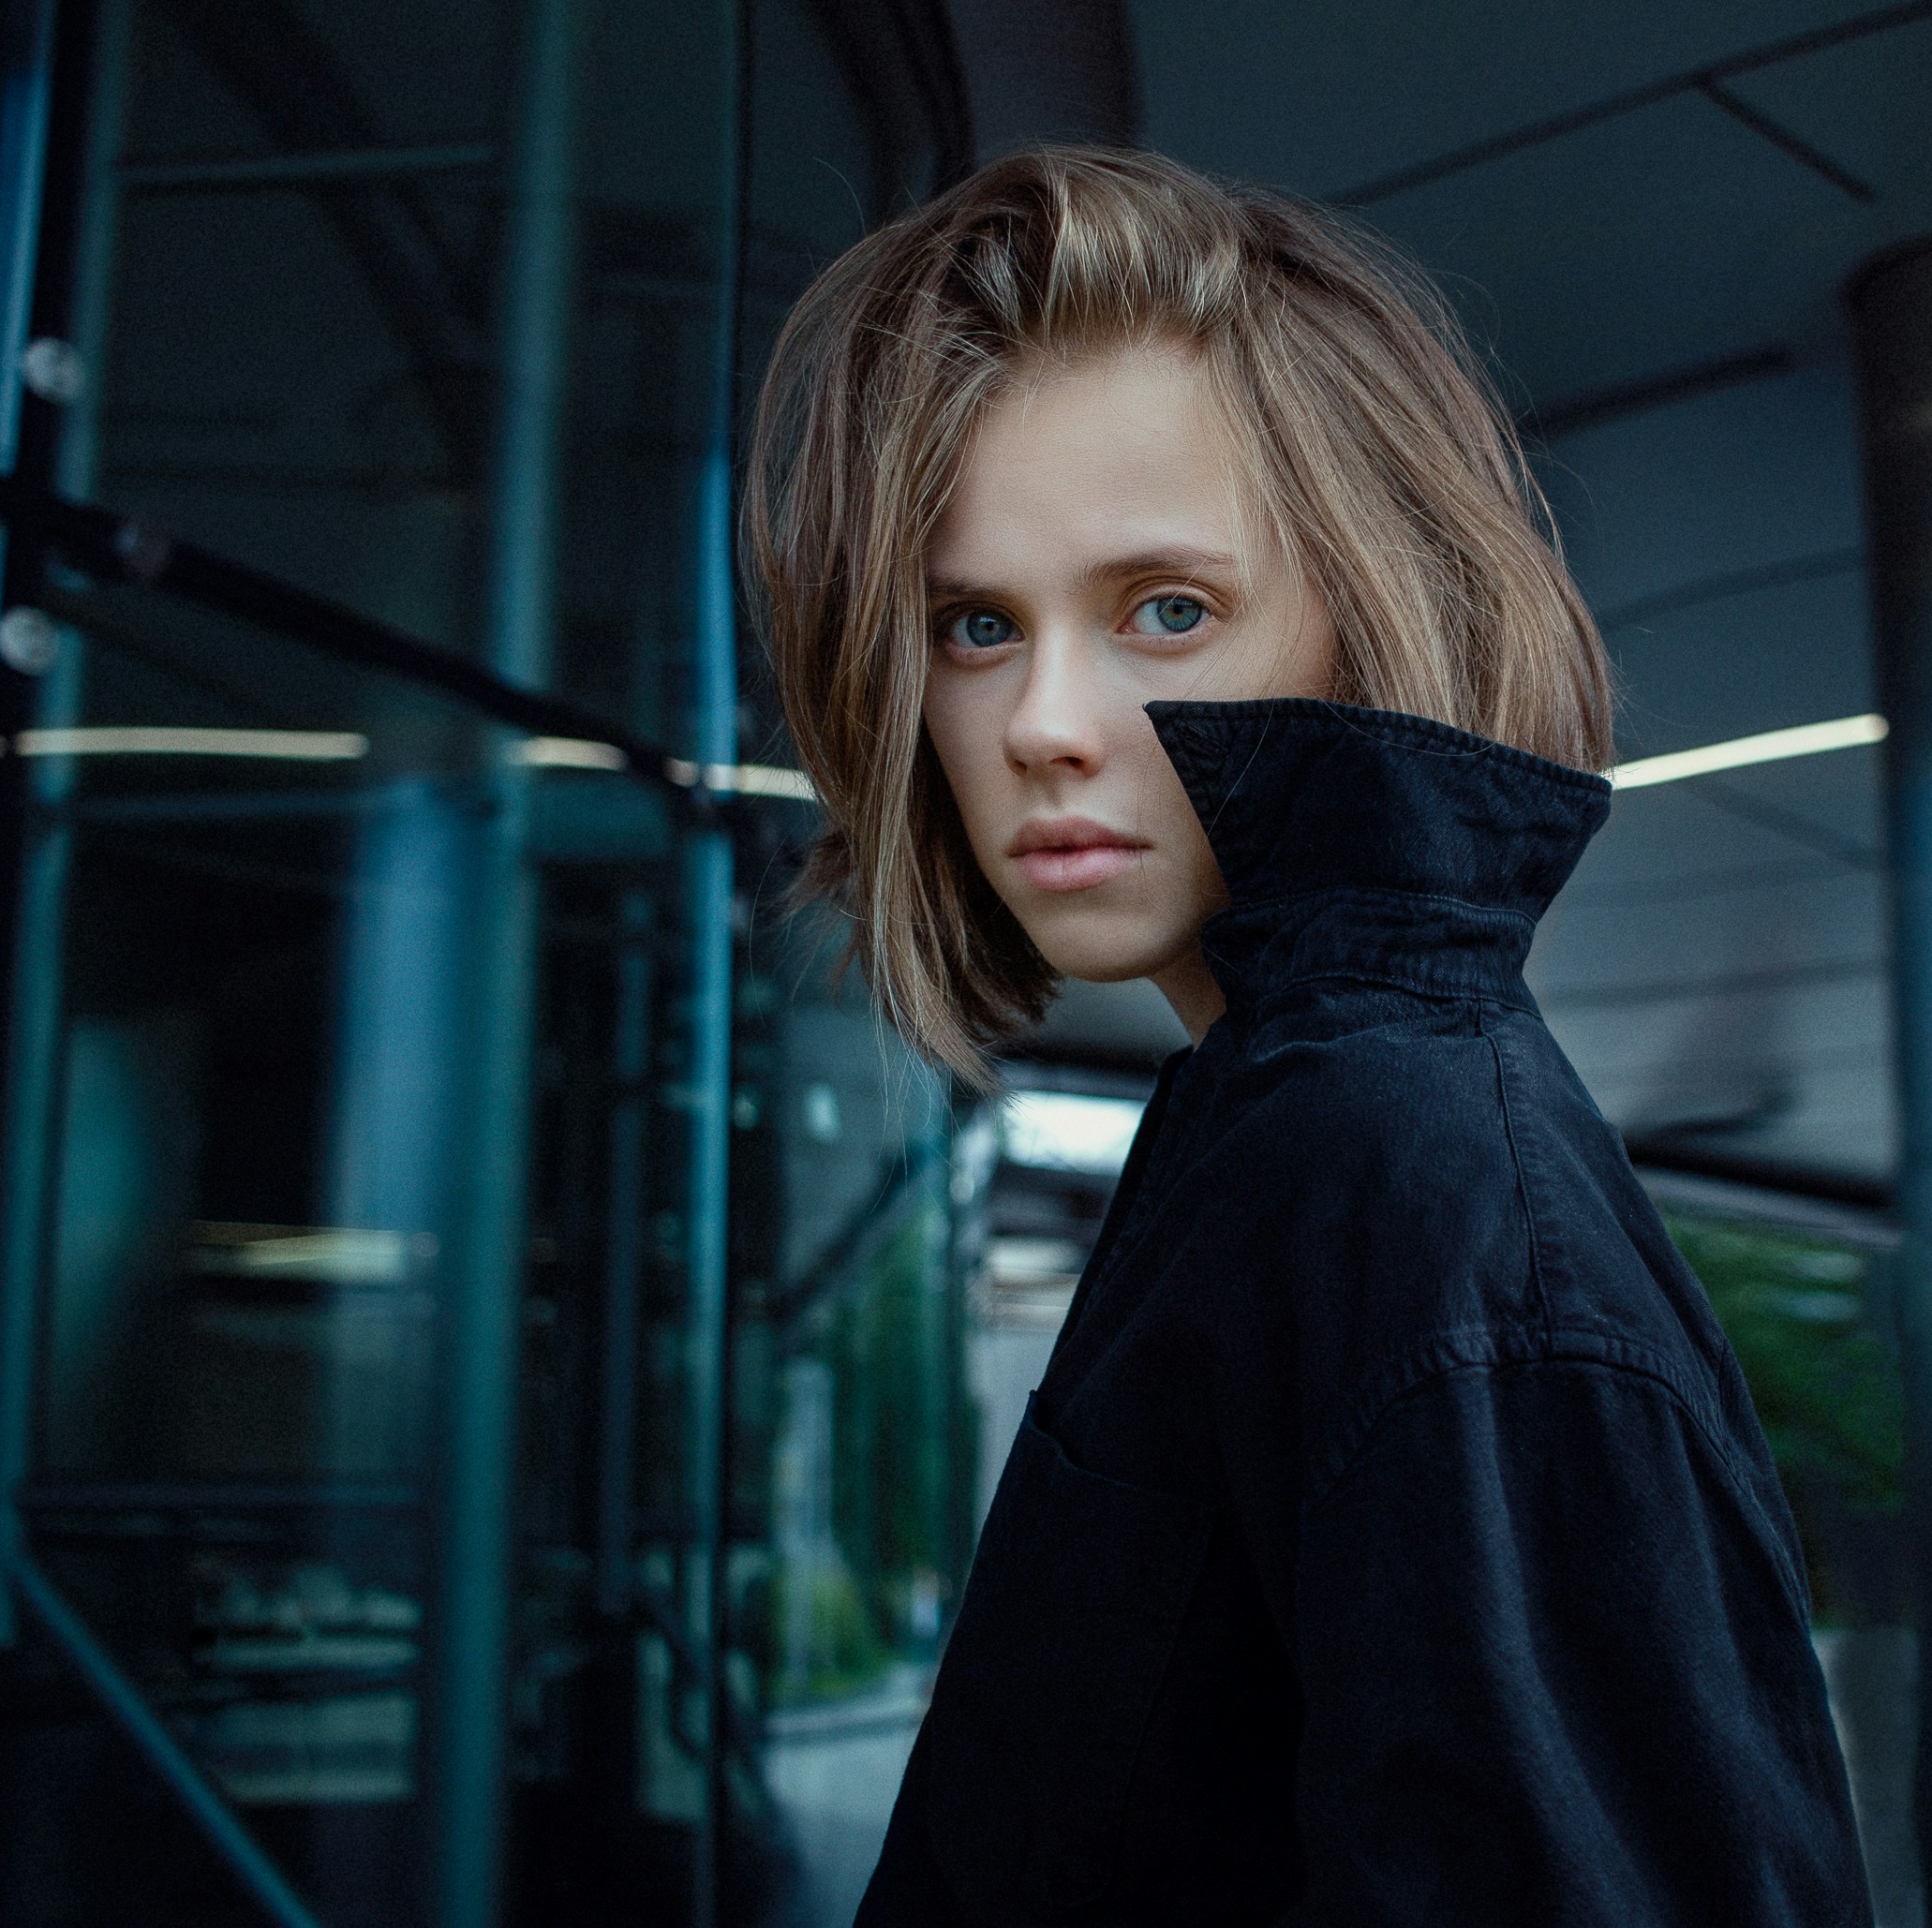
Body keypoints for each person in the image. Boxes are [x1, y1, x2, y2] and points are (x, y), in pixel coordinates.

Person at [749, 144, 1868, 1927]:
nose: (1042, 721)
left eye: (1165, 610)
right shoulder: (1285, 1134)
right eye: (974, 625)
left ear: (1368, 609)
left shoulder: (1416, 1187)